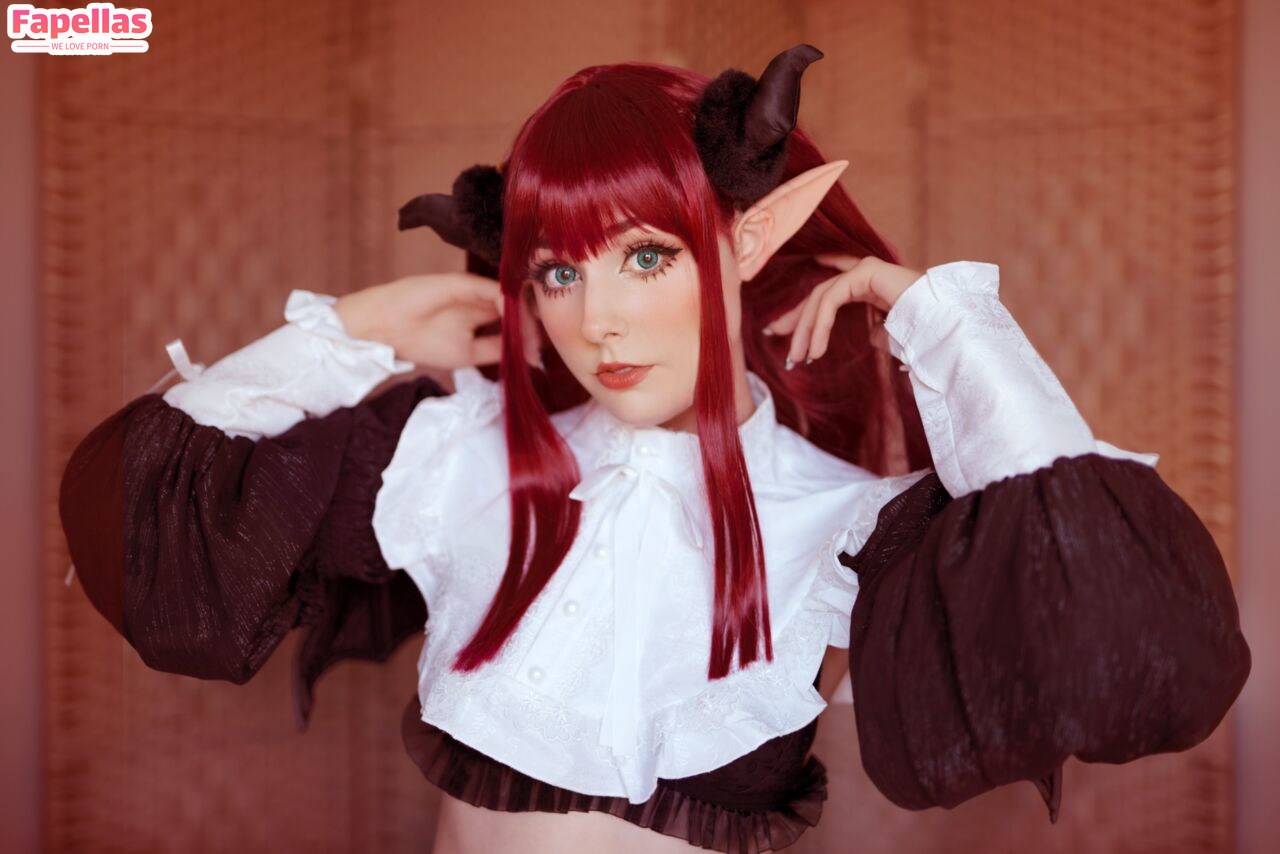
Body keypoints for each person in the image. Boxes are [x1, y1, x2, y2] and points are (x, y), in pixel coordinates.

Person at [58, 45, 1250, 854]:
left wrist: (937, 315)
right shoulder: (454, 457)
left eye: (644, 255)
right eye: (556, 270)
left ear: (745, 242)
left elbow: (1122, 631)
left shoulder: (849, 526)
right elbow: (145, 518)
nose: (599, 322)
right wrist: (354, 330)